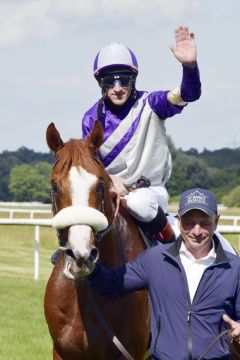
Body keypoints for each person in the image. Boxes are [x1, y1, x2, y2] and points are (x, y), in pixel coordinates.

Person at [82, 26, 201, 243]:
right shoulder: (91, 118)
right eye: (110, 81)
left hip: (149, 193)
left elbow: (189, 94)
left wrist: (190, 67)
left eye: (124, 80)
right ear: (101, 83)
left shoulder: (152, 104)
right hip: (108, 193)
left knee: (139, 204)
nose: (117, 88)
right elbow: (89, 164)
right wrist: (109, 180)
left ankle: (172, 245)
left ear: (133, 80)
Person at [88, 188, 240, 359]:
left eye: (204, 223)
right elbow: (112, 284)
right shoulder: (155, 259)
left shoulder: (235, 268)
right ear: (178, 220)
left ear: (216, 222)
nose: (196, 231)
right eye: (189, 223)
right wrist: (85, 263)